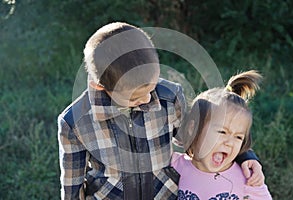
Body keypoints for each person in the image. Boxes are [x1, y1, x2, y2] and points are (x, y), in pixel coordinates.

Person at [57, 22, 264, 200]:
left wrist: (245, 156)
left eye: (151, 87)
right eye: (135, 97)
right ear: (100, 87)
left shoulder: (169, 95)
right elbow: (72, 185)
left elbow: (201, 136)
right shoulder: (75, 122)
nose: (147, 99)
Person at [171, 70, 272, 199]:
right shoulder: (174, 165)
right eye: (222, 132)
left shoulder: (246, 177)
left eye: (238, 137)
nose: (229, 142)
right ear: (193, 128)